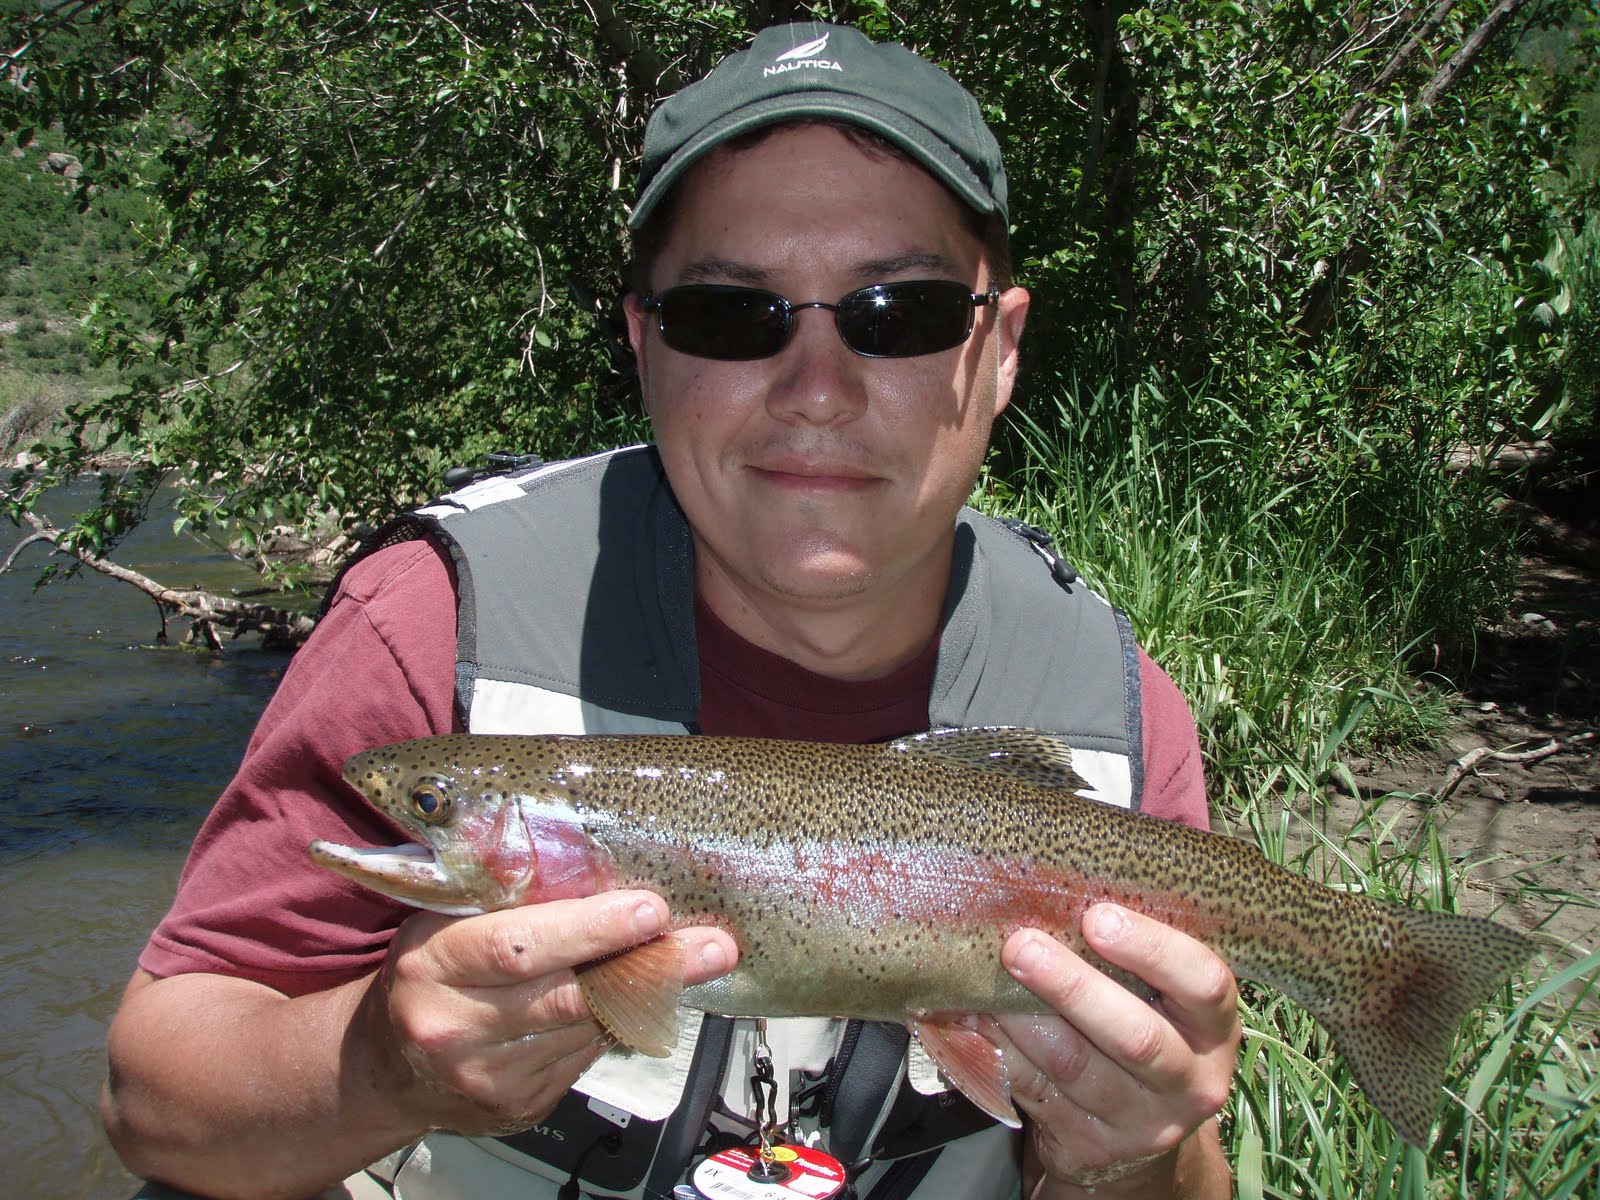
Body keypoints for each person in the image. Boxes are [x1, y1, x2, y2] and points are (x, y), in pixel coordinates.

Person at [102, 21, 1238, 1200]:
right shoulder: (435, 625)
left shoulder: (1108, 704)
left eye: (896, 313)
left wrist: (1140, 1154)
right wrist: (381, 1068)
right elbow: (159, 1108)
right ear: (644, 342)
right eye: (731, 318)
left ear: (997, 350)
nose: (816, 391)